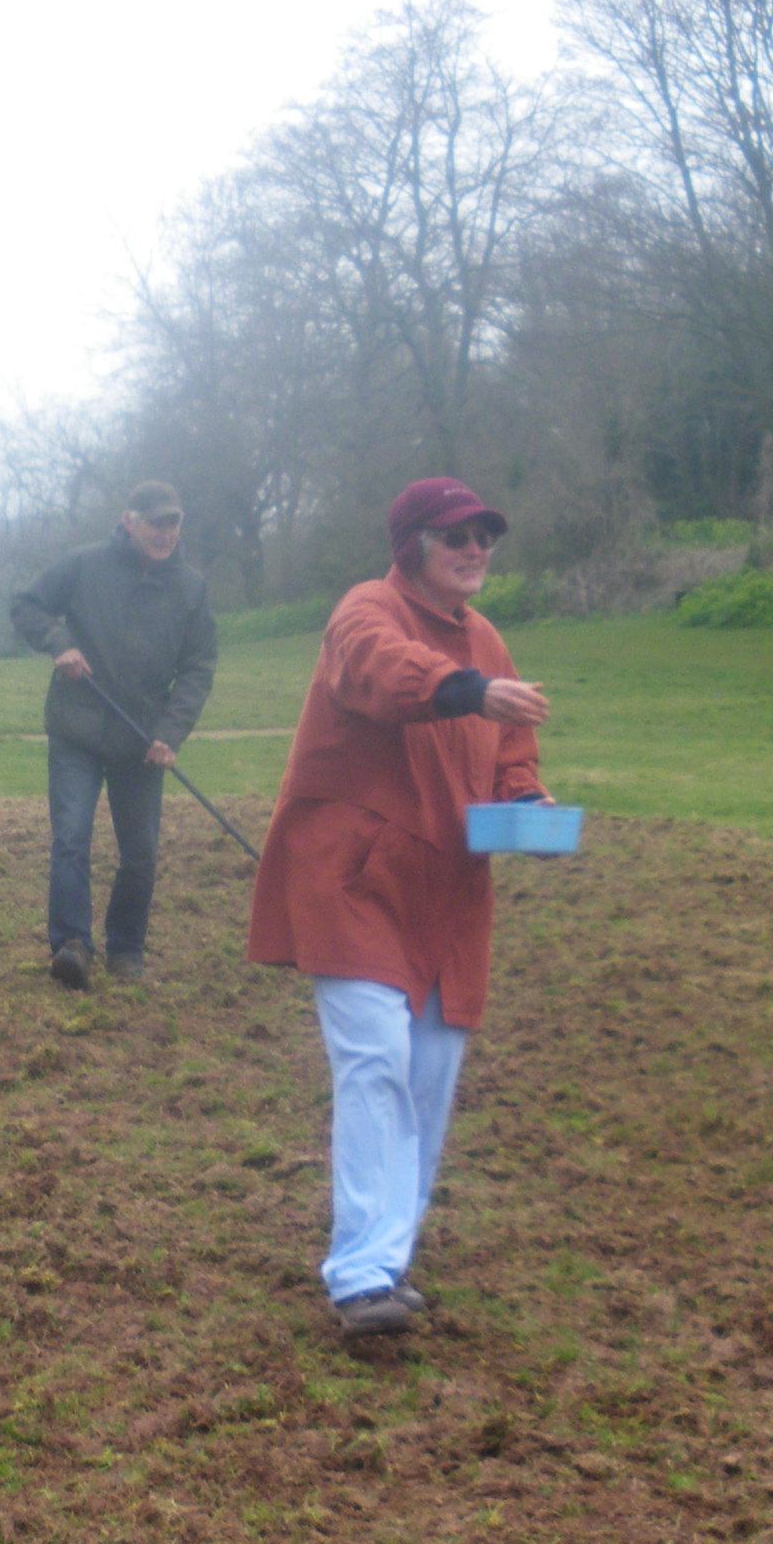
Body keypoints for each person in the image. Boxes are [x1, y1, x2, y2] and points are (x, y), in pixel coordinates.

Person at [247, 479, 553, 1336]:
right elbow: (381, 674)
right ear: (412, 541)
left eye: (485, 534)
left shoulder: (488, 639)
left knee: (428, 1080)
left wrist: (525, 800)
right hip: (353, 879)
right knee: (376, 1061)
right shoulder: (363, 610)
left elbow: (511, 752)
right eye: (457, 534)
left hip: (449, 892)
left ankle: (388, 1258)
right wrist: (465, 690)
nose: (476, 548)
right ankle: (358, 1276)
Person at [8, 480, 219, 988]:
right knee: (73, 837)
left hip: (142, 740)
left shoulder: (190, 588)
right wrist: (59, 643)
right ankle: (72, 946)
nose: (165, 533)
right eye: (155, 522)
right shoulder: (83, 566)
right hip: (77, 727)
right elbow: (26, 605)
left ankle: (127, 951)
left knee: (141, 851)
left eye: (173, 523)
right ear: (129, 521)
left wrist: (171, 732)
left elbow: (198, 667)